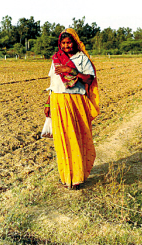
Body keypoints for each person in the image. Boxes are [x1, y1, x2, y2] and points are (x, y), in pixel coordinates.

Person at [44, 28, 100, 189]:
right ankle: (66, 176)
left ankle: (77, 177)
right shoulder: (56, 58)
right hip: (58, 101)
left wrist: (72, 71)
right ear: (59, 44)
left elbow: (89, 79)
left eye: (69, 42)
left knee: (77, 137)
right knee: (62, 140)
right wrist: (48, 103)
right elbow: (54, 83)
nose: (67, 46)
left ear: (75, 43)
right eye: (63, 43)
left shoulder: (82, 58)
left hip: (76, 100)